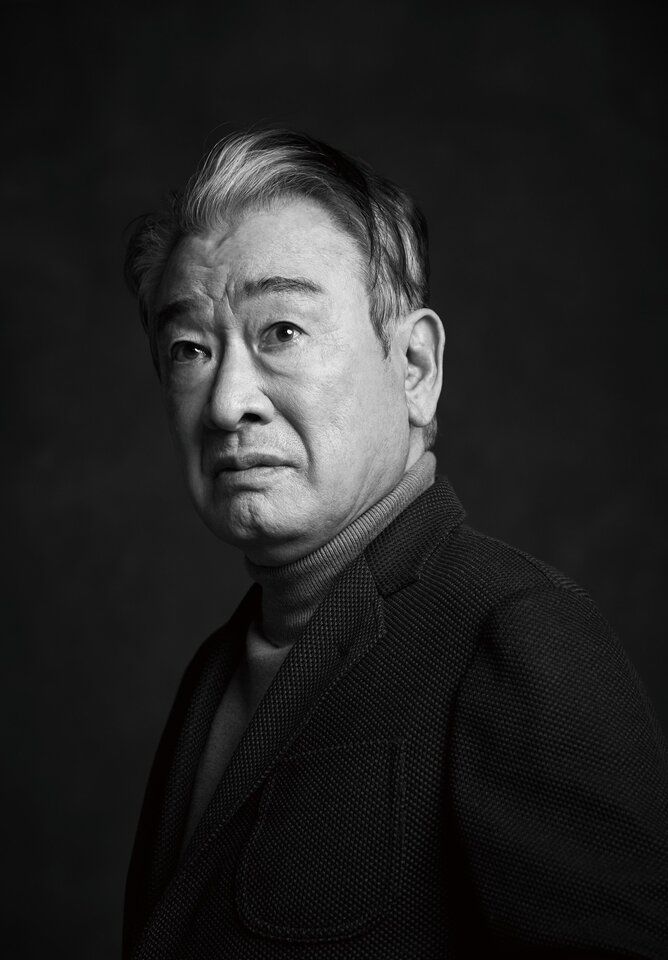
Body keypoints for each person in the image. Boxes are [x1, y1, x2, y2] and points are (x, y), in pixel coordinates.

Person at [122, 129, 668, 960]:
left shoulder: (514, 635)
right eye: (189, 349)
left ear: (414, 366)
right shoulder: (216, 672)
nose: (228, 403)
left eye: (282, 332)